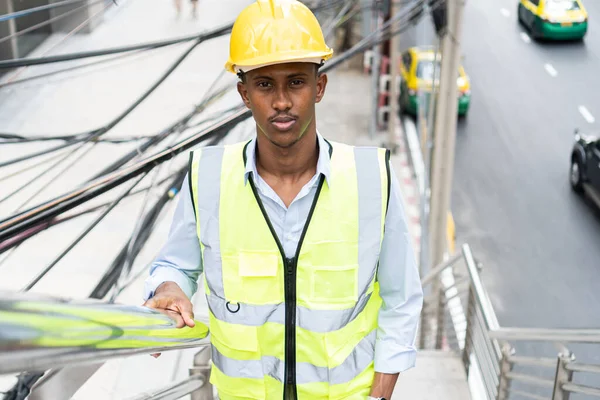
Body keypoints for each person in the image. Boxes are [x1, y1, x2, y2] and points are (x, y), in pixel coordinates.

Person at [143, 0, 423, 399]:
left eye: (296, 82)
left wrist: (379, 395)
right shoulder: (207, 177)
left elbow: (401, 298)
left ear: (319, 87)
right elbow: (175, 265)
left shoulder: (372, 179)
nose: (281, 102)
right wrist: (169, 288)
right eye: (264, 84)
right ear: (244, 94)